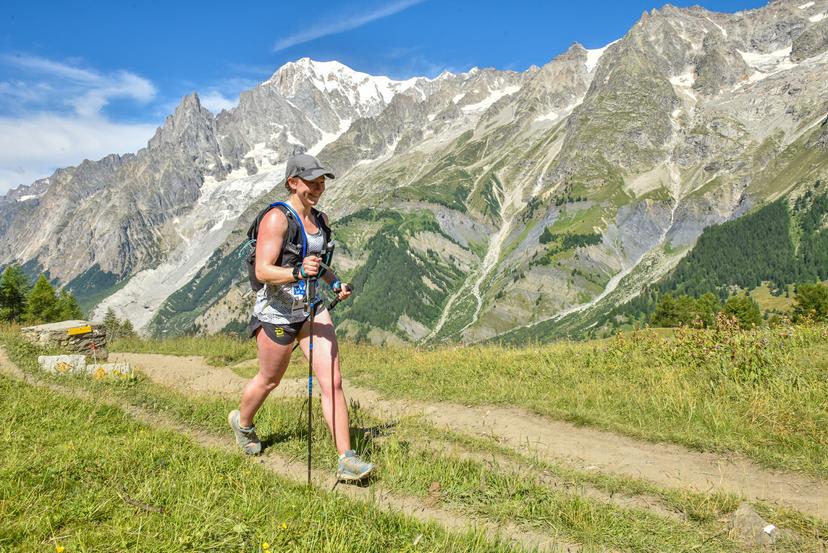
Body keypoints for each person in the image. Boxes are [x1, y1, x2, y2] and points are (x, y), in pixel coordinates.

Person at [228, 153, 374, 482]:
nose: (318, 187)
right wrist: (296, 271)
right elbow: (264, 270)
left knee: (332, 382)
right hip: (277, 313)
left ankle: (346, 458)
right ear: (293, 182)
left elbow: (317, 263)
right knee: (269, 380)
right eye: (311, 182)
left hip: (311, 308)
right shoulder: (277, 218)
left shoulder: (320, 220)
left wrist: (334, 282)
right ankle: (244, 423)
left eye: (321, 181)